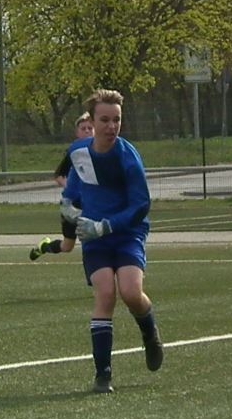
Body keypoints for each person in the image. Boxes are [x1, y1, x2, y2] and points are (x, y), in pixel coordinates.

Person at [61, 89, 163, 393]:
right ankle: (103, 374)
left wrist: (106, 226)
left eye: (116, 120)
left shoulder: (127, 156)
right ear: (92, 122)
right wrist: (67, 205)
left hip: (127, 233)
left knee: (131, 292)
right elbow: (74, 189)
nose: (111, 126)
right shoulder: (79, 152)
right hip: (94, 237)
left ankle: (149, 333)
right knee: (105, 294)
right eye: (104, 120)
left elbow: (140, 205)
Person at [29, 112, 95, 261]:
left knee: (94, 238)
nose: (87, 131)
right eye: (83, 128)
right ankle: (44, 247)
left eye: (90, 128)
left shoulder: (101, 151)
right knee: (67, 246)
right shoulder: (74, 152)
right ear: (77, 132)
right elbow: (59, 175)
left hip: (91, 203)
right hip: (72, 205)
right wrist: (70, 188)